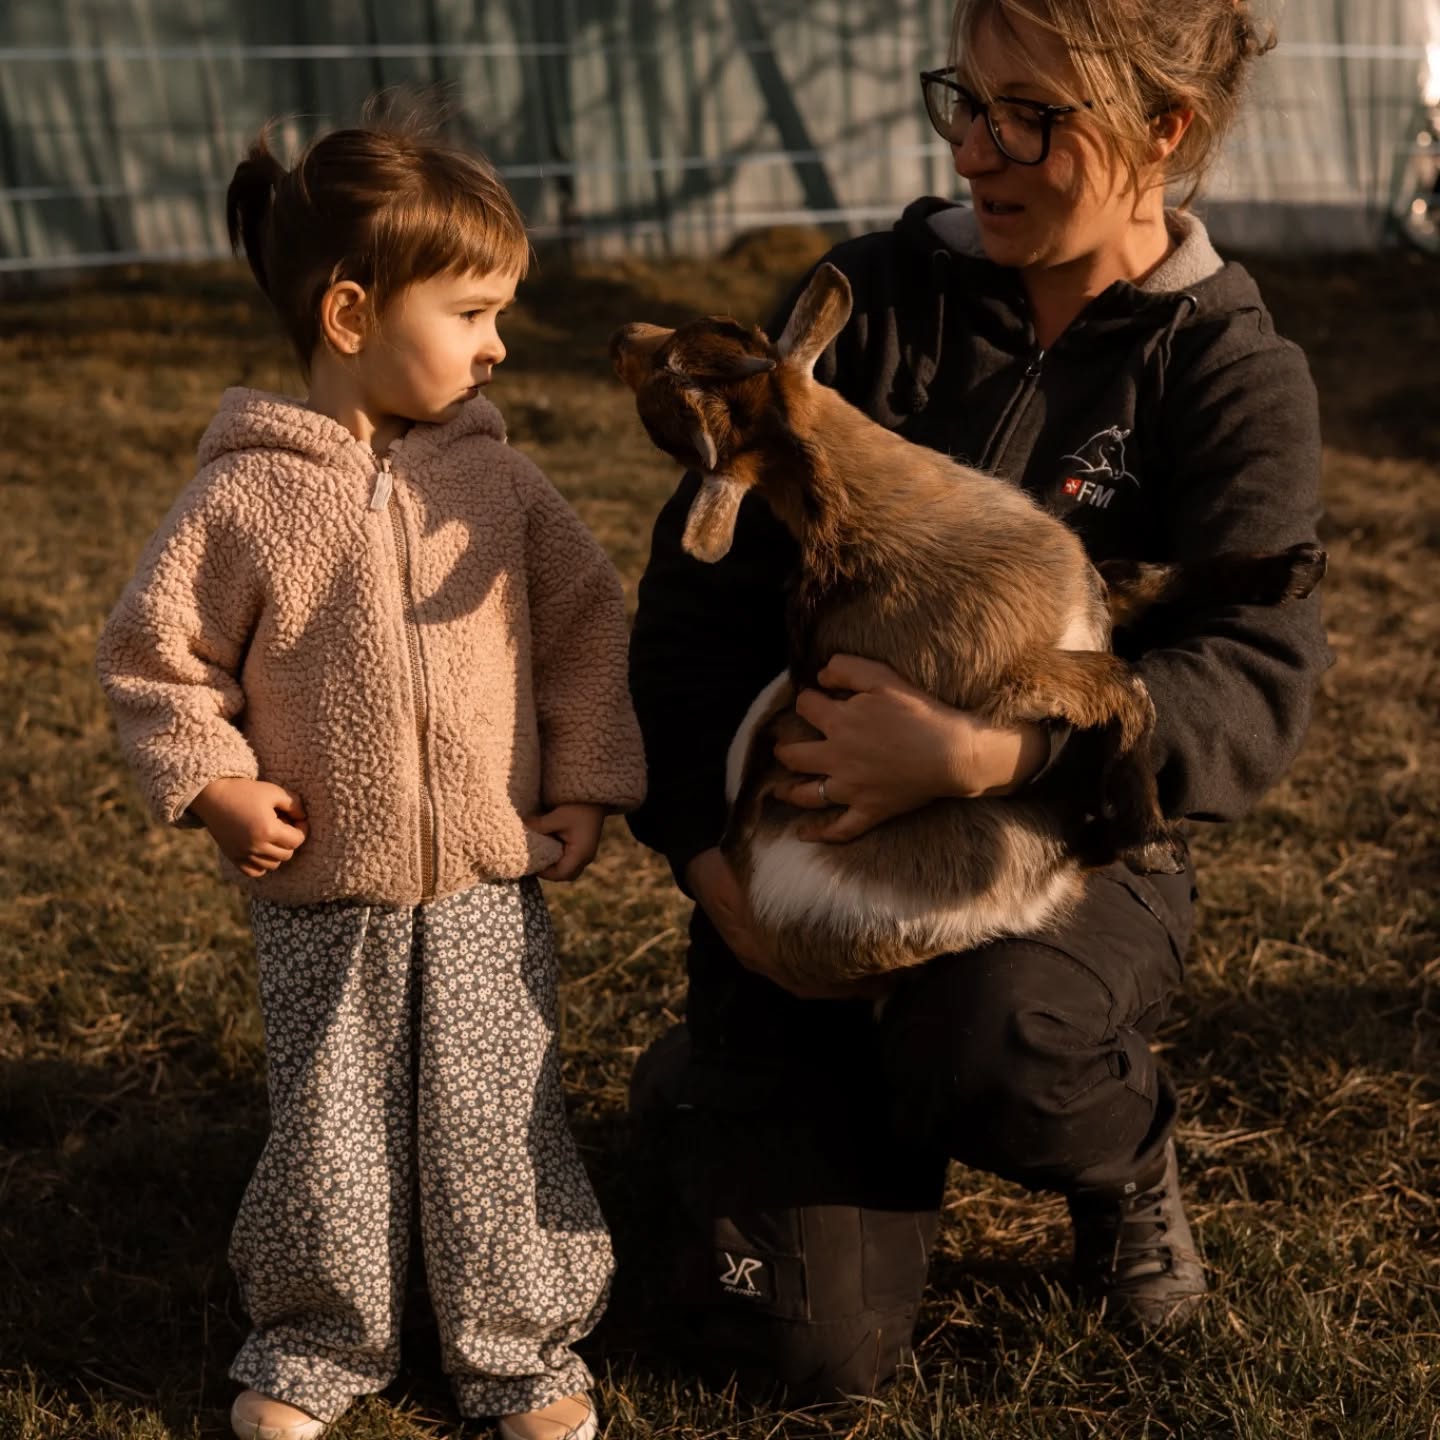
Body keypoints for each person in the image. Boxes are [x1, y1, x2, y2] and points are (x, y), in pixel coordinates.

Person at [625, 0, 1330, 1400]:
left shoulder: (1229, 369)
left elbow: (1252, 679)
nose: (973, 152)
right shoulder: (868, 305)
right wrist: (721, 880)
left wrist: (980, 756)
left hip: (1061, 847)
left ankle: (1120, 1156)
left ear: (1162, 130)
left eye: (1030, 119)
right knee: (805, 1360)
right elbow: (690, 618)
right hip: (814, 866)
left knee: (999, 1044)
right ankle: (736, 1077)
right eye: (966, 101)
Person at [96, 106, 644, 1440]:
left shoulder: (501, 487)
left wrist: (584, 779)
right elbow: (157, 658)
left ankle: (519, 1350)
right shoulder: (244, 498)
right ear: (351, 314)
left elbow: (586, 630)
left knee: (496, 1120)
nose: (498, 342)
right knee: (330, 1124)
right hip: (324, 892)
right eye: (471, 312)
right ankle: (315, 1339)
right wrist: (213, 783)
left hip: (483, 885)